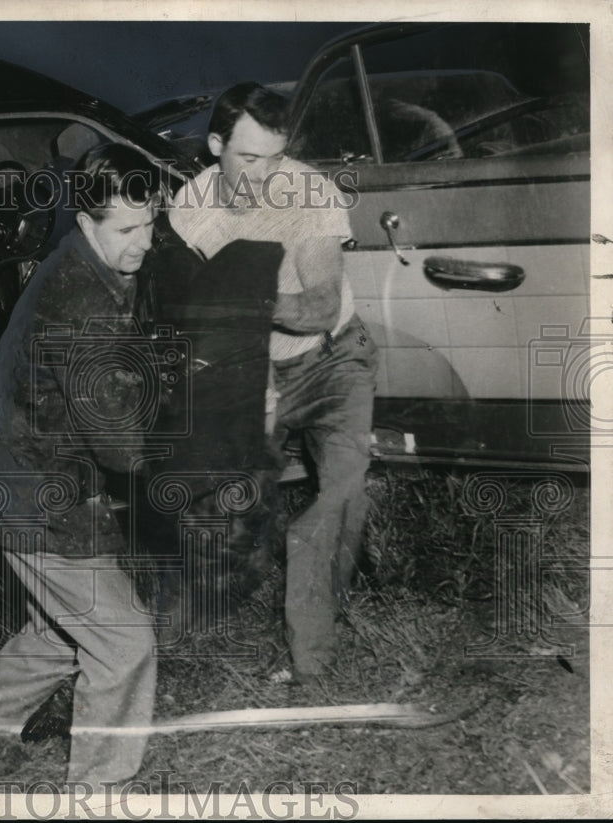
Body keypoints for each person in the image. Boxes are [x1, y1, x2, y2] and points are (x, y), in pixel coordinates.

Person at [0, 144, 161, 789]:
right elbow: (123, 448)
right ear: (86, 220)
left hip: (19, 481)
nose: (145, 242)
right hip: (34, 495)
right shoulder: (81, 299)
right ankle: (98, 791)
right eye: (127, 229)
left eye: (151, 221)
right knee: (125, 644)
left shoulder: (86, 263)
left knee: (68, 627)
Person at [168, 83, 378, 684]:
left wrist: (239, 297)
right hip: (260, 364)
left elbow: (315, 308)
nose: (265, 176)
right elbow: (212, 324)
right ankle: (191, 624)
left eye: (276, 158)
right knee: (231, 495)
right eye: (249, 159)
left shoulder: (308, 191)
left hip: (335, 358)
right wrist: (257, 398)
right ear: (215, 146)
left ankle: (312, 661)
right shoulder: (190, 209)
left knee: (337, 499)